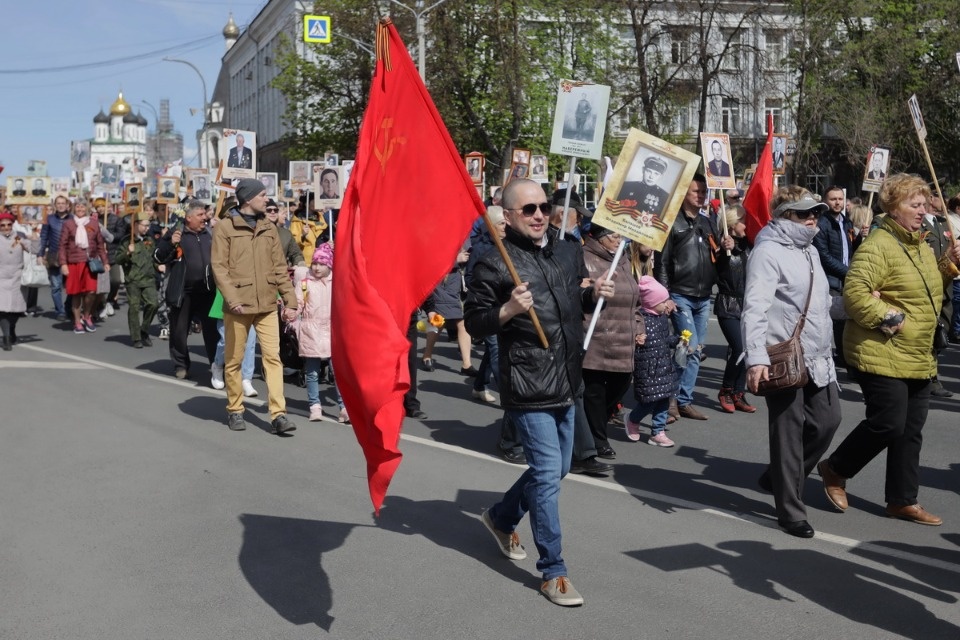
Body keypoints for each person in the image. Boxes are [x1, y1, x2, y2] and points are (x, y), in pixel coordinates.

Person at [464, 178, 614, 607]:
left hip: (568, 378)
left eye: (543, 207)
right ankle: (554, 571)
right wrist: (508, 309)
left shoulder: (568, 251)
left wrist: (592, 297)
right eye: (527, 209)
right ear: (507, 215)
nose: (537, 215)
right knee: (548, 474)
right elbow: (475, 322)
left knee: (558, 468)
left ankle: (500, 516)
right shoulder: (493, 262)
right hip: (528, 381)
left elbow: (570, 304)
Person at [820, 174, 960, 527]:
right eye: (915, 205)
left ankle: (902, 500)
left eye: (925, 204)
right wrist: (891, 317)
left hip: (918, 354)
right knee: (888, 422)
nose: (923, 211)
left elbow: (929, 289)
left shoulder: (920, 243)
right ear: (893, 207)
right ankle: (836, 469)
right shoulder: (878, 244)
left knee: (910, 430)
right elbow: (855, 295)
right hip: (881, 350)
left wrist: (950, 266)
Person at [742, 187, 840, 539]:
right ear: (784, 214)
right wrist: (755, 358)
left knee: (828, 422)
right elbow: (754, 308)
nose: (813, 218)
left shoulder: (811, 250)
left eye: (816, 212)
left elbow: (821, 304)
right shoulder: (767, 251)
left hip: (816, 354)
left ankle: (778, 477)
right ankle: (790, 510)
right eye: (804, 213)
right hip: (781, 356)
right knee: (787, 433)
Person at [211, 178, 299, 435]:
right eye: (262, 195)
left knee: (273, 358)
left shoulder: (268, 228)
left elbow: (279, 268)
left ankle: (278, 414)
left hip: (267, 304)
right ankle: (235, 409)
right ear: (248, 199)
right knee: (235, 359)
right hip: (238, 305)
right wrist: (232, 299)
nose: (267, 199)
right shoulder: (225, 228)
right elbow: (219, 268)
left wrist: (290, 300)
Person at [655, 173, 733, 420]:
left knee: (695, 349)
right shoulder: (672, 223)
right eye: (695, 192)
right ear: (683, 194)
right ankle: (670, 400)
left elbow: (716, 259)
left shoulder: (708, 222)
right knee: (687, 347)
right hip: (680, 295)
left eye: (703, 192)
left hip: (702, 297)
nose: (700, 196)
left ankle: (683, 400)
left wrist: (726, 249)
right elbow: (663, 262)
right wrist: (665, 294)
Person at [581, 223, 642, 458]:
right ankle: (598, 439)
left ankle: (589, 425)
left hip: (624, 337)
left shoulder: (623, 259)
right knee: (594, 392)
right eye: (614, 236)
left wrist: (639, 326)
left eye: (620, 236)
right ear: (600, 238)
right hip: (597, 337)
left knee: (621, 385)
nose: (619, 240)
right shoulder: (584, 258)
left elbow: (636, 300)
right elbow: (581, 295)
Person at [154, 200, 219, 379]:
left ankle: (217, 365)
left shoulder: (210, 233)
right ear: (189, 218)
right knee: (179, 331)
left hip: (207, 291)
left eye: (205, 214)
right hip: (184, 292)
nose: (204, 218)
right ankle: (181, 364)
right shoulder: (176, 234)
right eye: (200, 215)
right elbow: (158, 257)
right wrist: (169, 244)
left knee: (213, 332)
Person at [295, 244, 348, 423]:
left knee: (338, 372)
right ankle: (315, 406)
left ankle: (343, 407)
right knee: (312, 371)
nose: (317, 267)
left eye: (321, 263)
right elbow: (297, 305)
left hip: (332, 331)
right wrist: (289, 312)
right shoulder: (305, 284)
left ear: (330, 265)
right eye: (314, 263)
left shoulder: (338, 282)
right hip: (311, 331)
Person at [625, 273, 679, 447]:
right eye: (663, 302)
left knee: (664, 399)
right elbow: (634, 341)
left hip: (663, 366)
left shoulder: (662, 318)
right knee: (649, 401)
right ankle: (633, 419)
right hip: (647, 368)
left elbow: (665, 339)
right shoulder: (640, 320)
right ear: (651, 303)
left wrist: (678, 340)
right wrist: (637, 339)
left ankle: (658, 432)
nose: (666, 305)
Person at [714, 206, 757, 413]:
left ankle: (739, 393)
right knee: (739, 348)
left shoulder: (749, 245)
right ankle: (726, 389)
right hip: (728, 305)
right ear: (731, 225)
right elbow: (722, 258)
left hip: (747, 305)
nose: (746, 225)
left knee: (747, 351)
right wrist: (725, 246)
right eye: (742, 221)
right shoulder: (724, 246)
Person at [812, 185, 854, 366]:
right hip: (831, 280)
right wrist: (848, 272)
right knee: (835, 321)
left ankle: (845, 356)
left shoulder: (846, 222)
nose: (837, 202)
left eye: (840, 199)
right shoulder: (822, 223)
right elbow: (824, 256)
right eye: (833, 199)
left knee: (846, 320)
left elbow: (850, 249)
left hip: (846, 278)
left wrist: (860, 238)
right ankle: (836, 357)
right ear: (825, 201)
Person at [421, 246, 476, 376]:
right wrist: (456, 260)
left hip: (457, 284)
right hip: (443, 283)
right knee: (438, 321)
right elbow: (431, 262)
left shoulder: (466, 236)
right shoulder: (439, 237)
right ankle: (427, 355)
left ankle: (467, 364)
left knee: (462, 323)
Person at [58, 200, 109, 335]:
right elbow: (62, 246)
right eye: (78, 206)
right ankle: (77, 322)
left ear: (87, 209)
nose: (80, 208)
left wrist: (105, 262)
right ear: (74, 209)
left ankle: (87, 316)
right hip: (74, 263)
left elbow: (100, 244)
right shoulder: (68, 224)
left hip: (90, 262)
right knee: (76, 293)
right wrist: (63, 264)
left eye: (83, 206)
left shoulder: (93, 224)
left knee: (91, 292)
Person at [113, 212, 157, 348]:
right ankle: (136, 337)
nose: (147, 228)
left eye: (148, 225)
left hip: (148, 278)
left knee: (153, 304)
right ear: (136, 225)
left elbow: (152, 257)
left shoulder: (149, 240)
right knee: (134, 307)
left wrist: (158, 265)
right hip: (133, 279)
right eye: (144, 225)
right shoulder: (127, 241)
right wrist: (127, 253)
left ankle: (143, 330)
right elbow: (117, 259)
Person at [0, 211, 34, 349]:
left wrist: (35, 232)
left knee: (15, 310)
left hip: (17, 277)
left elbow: (35, 249)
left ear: (13, 225)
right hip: (1, 278)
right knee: (2, 309)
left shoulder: (19, 238)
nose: (6, 228)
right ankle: (7, 337)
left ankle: (12, 328)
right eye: (2, 225)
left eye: (8, 224)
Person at [38, 195, 72, 320]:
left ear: (67, 205)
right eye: (58, 203)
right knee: (56, 285)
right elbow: (43, 237)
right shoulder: (49, 219)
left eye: (63, 203)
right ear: (55, 205)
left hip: (70, 257)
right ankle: (60, 311)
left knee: (71, 286)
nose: (61, 205)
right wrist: (40, 254)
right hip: (54, 256)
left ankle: (68, 307)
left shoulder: (73, 219)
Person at [265, 199, 304, 267]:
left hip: (280, 273)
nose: (273, 212)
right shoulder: (255, 231)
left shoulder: (286, 234)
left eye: (276, 210)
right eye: (269, 210)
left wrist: (300, 264)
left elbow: (295, 253)